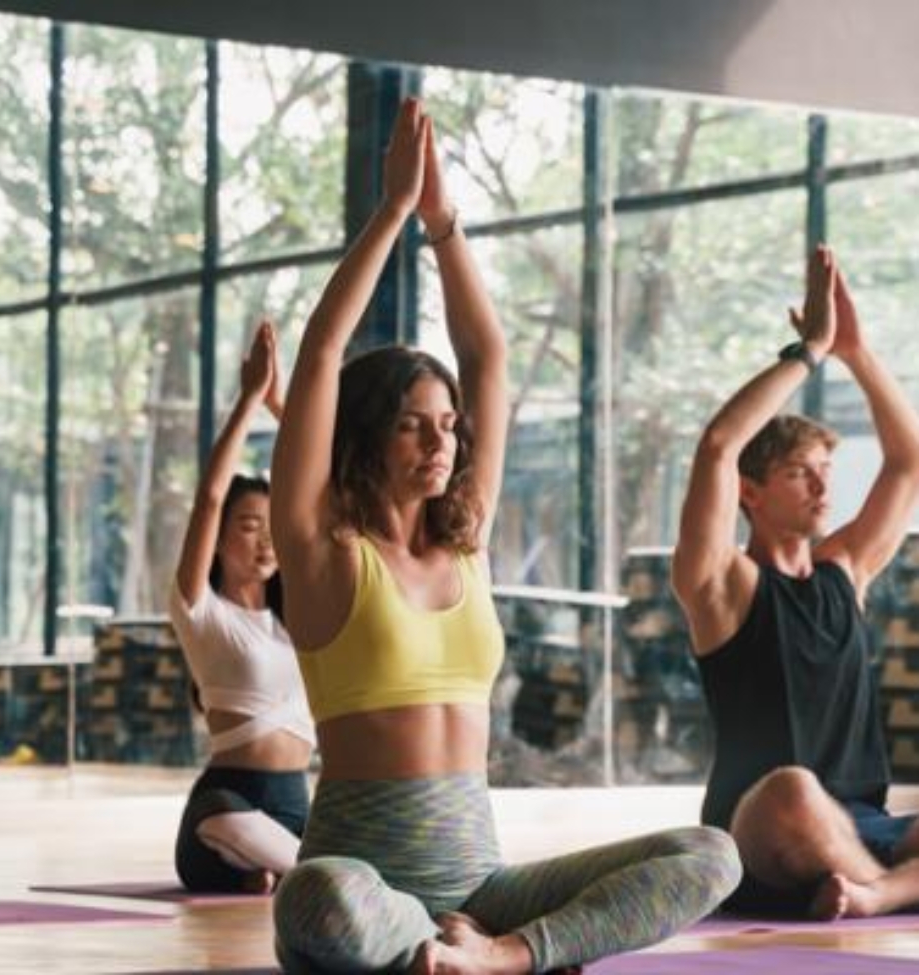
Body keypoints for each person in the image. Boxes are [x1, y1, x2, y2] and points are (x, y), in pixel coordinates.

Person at [268, 97, 740, 974]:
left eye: (448, 424)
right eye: (414, 424)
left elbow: (487, 359)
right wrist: (392, 216)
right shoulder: (324, 552)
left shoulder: (466, 541)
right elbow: (322, 357)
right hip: (368, 883)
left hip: (484, 888)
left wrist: (446, 224)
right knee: (317, 900)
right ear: (367, 434)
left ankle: (503, 956)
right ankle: (432, 951)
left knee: (711, 852)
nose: (442, 440)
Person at [672, 244, 919, 919]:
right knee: (793, 788)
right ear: (750, 493)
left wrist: (858, 352)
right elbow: (719, 445)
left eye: (825, 470)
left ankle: (872, 891)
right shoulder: (722, 585)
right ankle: (888, 888)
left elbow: (908, 460)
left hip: (865, 823)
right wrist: (809, 349)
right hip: (764, 830)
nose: (821, 485)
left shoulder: (846, 569)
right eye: (799, 472)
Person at [168, 320, 315, 895]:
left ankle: (276, 871)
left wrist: (284, 405)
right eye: (249, 526)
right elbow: (208, 497)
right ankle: (297, 873)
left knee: (293, 860)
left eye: (271, 527)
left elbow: (330, 492)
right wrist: (250, 401)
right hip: (226, 801)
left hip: (295, 804)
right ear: (222, 536)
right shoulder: (200, 610)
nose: (265, 540)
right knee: (226, 824)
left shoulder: (299, 618)